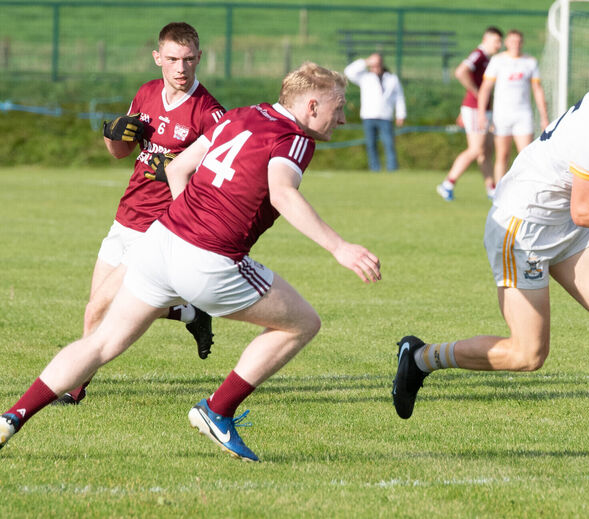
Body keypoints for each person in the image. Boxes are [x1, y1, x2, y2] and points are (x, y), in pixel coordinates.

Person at [0, 62, 382, 462]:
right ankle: (217, 410)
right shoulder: (294, 138)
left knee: (101, 343)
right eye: (339, 106)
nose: (343, 117)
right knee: (303, 323)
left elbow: (179, 168)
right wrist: (340, 247)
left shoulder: (240, 115)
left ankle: (12, 416)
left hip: (160, 240)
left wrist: (189, 224)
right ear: (313, 104)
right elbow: (282, 194)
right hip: (209, 258)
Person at [393, 37, 589, 462]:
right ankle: (421, 357)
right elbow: (586, 210)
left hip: (564, 224)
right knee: (528, 355)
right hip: (523, 227)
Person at [54, 22, 226, 406]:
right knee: (99, 302)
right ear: (157, 58)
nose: (181, 68)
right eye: (172, 60)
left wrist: (185, 181)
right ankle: (188, 313)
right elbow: (120, 153)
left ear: (199, 58)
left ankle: (75, 386)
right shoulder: (146, 93)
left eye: (188, 60)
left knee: (98, 308)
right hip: (127, 214)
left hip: (162, 225)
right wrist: (113, 135)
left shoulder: (210, 113)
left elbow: (219, 178)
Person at [436, 26, 504, 202]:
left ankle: (491, 189)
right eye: (496, 40)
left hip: (483, 109)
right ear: (485, 39)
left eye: (500, 41)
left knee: (485, 152)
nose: (499, 44)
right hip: (475, 109)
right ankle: (447, 184)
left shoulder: (489, 59)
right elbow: (460, 71)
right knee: (475, 150)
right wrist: (477, 93)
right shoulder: (478, 54)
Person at [477, 29, 550, 188]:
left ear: (522, 43)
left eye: (518, 41)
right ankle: (499, 192)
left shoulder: (529, 62)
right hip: (502, 116)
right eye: (512, 41)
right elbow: (485, 88)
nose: (515, 45)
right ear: (507, 43)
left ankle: (525, 189)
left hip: (523, 114)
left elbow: (537, 90)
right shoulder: (497, 61)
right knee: (502, 156)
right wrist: (482, 113)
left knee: (526, 155)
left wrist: (544, 116)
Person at [344, 53, 406, 172]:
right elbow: (348, 71)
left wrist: (400, 115)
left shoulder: (392, 78)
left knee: (389, 144)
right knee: (371, 145)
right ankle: (374, 169)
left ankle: (392, 169)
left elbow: (399, 98)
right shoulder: (365, 77)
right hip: (368, 116)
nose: (375, 67)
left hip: (385, 116)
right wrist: (366, 62)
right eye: (373, 65)